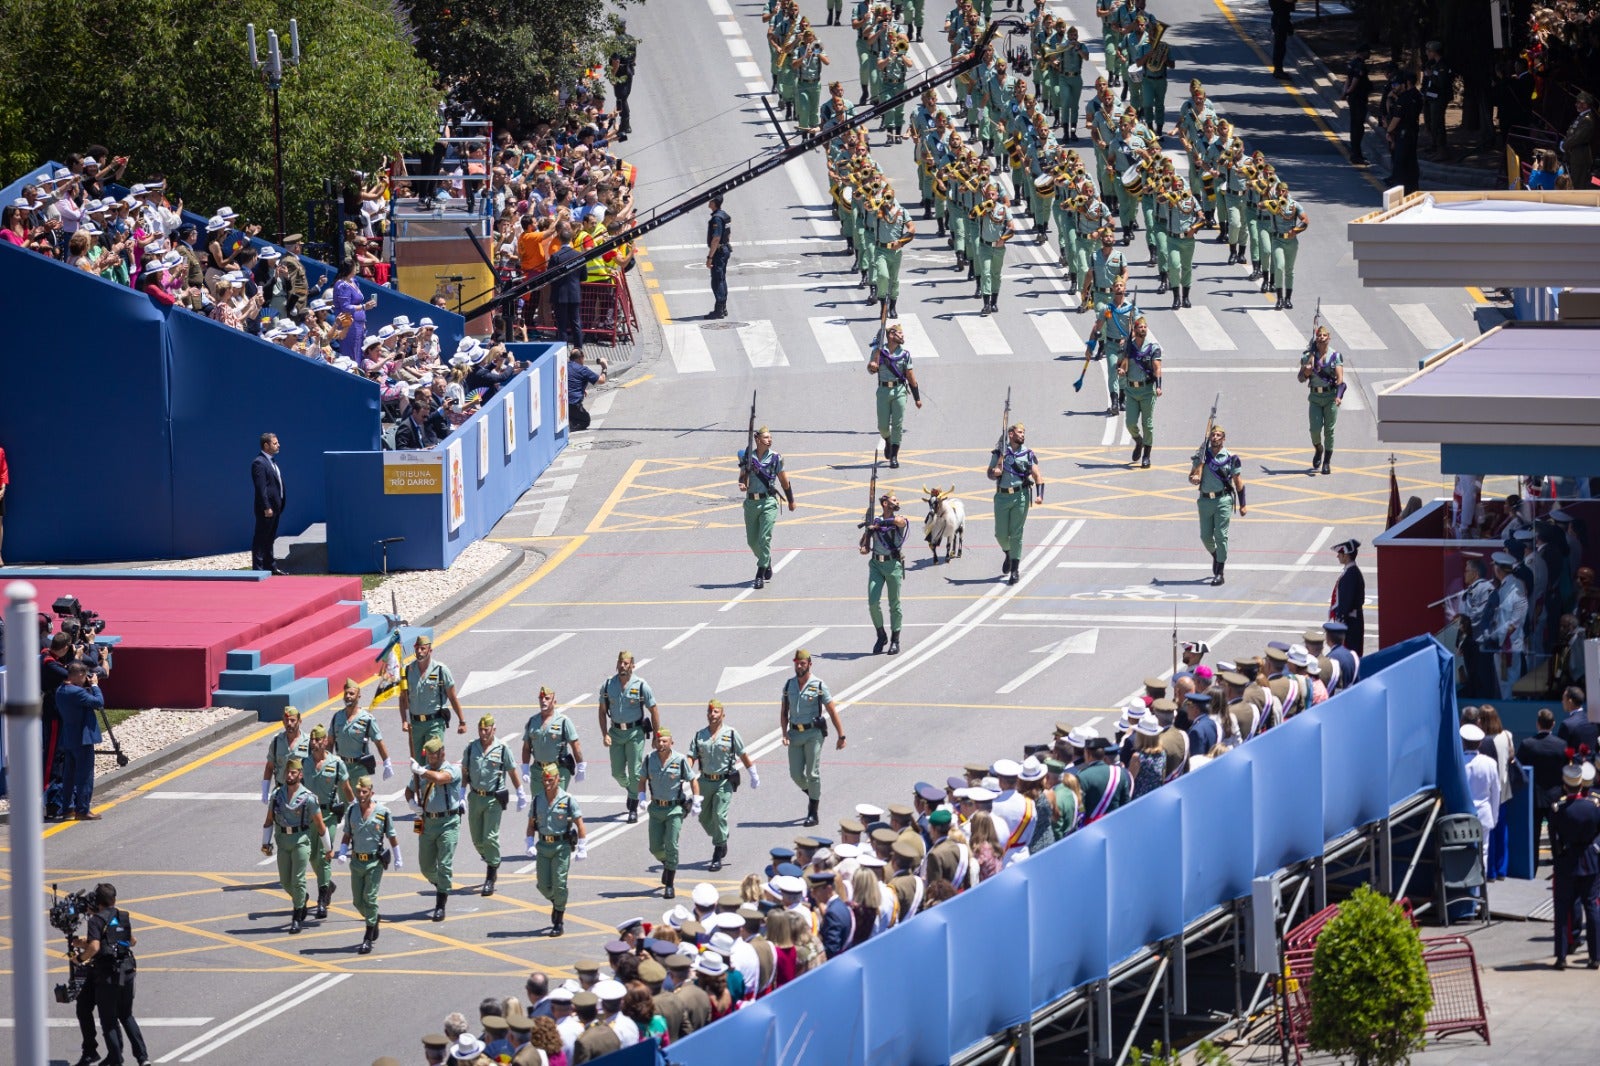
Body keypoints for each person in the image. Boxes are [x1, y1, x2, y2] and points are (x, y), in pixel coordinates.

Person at [69, 883, 146, 1066]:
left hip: (107, 975)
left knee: (108, 1021)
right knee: (126, 1015)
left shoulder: (96, 920)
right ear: (114, 899)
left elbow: (96, 947)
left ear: (97, 901)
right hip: (127, 971)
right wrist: (87, 942)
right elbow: (131, 941)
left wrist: (79, 959)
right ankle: (143, 1058)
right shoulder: (122, 915)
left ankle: (115, 1060)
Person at [261, 757, 333, 933]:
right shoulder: (277, 794)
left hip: (301, 841)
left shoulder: (308, 798)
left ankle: (297, 915)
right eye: (288, 772)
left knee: (298, 879)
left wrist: (328, 849)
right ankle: (302, 898)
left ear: (300, 775)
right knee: (286, 882)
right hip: (283, 841)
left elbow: (320, 826)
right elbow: (269, 820)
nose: (289, 775)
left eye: (293, 772)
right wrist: (265, 843)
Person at [780, 649, 847, 827]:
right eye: (797, 663)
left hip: (813, 734)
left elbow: (832, 710)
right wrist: (784, 733)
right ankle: (813, 794)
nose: (799, 666)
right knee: (795, 774)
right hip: (795, 734)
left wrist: (841, 735)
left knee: (812, 773)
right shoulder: (789, 685)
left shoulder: (818, 685)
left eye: (802, 663)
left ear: (810, 664)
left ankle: (813, 812)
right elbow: (784, 712)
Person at [690, 699, 758, 871]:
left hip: (723, 781)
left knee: (719, 815)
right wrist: (685, 773)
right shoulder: (700, 735)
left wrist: (753, 773)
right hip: (704, 781)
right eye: (710, 712)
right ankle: (722, 836)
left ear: (723, 714)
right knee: (704, 818)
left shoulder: (731, 734)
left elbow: (742, 754)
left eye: (716, 712)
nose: (712, 715)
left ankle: (718, 852)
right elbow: (691, 756)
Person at [338, 775, 401, 954]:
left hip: (374, 862)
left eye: (364, 792)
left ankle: (367, 937)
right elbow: (347, 834)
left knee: (370, 897)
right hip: (357, 861)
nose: (361, 795)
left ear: (371, 792)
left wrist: (398, 856)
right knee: (358, 901)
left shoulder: (382, 812)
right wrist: (342, 851)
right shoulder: (352, 810)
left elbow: (391, 835)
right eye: (358, 792)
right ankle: (373, 919)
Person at [462, 714, 524, 897]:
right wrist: (461, 793)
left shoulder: (502, 749)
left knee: (490, 837)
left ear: (493, 730)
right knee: (477, 839)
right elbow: (465, 770)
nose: (483, 733)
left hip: (493, 799)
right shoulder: (471, 748)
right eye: (480, 730)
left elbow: (512, 770)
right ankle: (491, 857)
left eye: (486, 730)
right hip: (475, 797)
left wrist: (520, 792)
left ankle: (491, 874)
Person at [525, 763, 587, 936]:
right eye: (544, 780)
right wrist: (529, 842)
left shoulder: (567, 799)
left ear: (558, 779)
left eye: (550, 780)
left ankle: (559, 919)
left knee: (559, 884)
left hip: (561, 847)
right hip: (543, 846)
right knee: (543, 886)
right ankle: (556, 902)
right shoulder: (538, 799)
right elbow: (531, 824)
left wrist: (582, 846)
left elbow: (579, 824)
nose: (547, 783)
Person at [599, 650, 660, 823]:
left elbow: (653, 709)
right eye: (620, 663)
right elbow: (602, 711)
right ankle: (631, 790)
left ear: (632, 666)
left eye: (626, 663)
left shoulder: (641, 685)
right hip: (616, 733)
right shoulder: (608, 685)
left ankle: (633, 806)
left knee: (634, 772)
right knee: (617, 773)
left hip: (635, 733)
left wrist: (656, 736)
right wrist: (604, 734)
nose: (622, 666)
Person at [1549, 762, 1600, 969]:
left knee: (1562, 909)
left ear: (1565, 785)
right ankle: (1595, 956)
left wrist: (1558, 857)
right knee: (1593, 907)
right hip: (1589, 860)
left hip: (1566, 860)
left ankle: (1561, 957)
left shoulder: (1557, 809)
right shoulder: (1593, 807)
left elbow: (1554, 839)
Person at [302, 726, 354, 919]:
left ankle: (322, 898)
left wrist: (354, 809)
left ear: (325, 742)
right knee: (311, 856)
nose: (314, 743)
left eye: (318, 740)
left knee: (324, 855)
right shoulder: (304, 763)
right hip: (309, 816)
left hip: (329, 815)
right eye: (312, 740)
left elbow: (346, 788)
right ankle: (328, 884)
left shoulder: (336, 763)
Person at [411, 735, 464, 922]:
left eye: (434, 755)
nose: (430, 758)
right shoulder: (423, 771)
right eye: (428, 755)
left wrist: (420, 772)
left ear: (442, 753)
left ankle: (440, 904)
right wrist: (412, 803)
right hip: (427, 823)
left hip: (448, 822)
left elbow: (441, 779)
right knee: (425, 866)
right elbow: (409, 789)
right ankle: (440, 883)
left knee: (444, 864)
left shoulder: (453, 770)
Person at [642, 727, 700, 899]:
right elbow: (642, 779)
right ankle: (668, 864)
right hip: (656, 808)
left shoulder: (680, 760)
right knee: (655, 847)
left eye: (664, 741)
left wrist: (697, 800)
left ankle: (669, 884)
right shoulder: (649, 759)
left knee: (671, 845)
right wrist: (641, 797)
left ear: (671, 743)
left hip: (674, 809)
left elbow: (693, 779)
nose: (661, 744)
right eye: (658, 741)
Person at [739, 426, 796, 590]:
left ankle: (760, 573)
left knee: (764, 538)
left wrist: (791, 500)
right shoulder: (748, 457)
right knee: (752, 541)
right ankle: (766, 559)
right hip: (750, 503)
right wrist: (742, 484)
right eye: (766, 438)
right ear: (757, 440)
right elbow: (742, 477)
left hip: (768, 502)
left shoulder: (775, 457)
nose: (769, 440)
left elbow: (784, 480)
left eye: (770, 437)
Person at [988, 422, 1046, 585]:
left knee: (1016, 534)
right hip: (1001, 497)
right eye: (1020, 432)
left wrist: (1040, 496)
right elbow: (989, 473)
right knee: (1000, 534)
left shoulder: (1027, 453)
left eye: (1024, 432)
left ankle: (1015, 569)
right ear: (1011, 434)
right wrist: (995, 472)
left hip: (1020, 497)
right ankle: (1008, 552)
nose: (1023, 435)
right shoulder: (1000, 452)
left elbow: (1038, 475)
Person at [1189, 424, 1246, 586]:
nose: (1215, 438)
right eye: (1213, 435)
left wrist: (1243, 504)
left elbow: (1238, 482)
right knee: (1205, 537)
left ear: (1224, 439)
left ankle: (1220, 572)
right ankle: (1217, 556)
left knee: (1221, 535)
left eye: (1219, 435)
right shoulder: (1202, 456)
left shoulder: (1231, 458)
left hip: (1223, 500)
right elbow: (1192, 475)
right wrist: (1193, 478)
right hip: (1205, 500)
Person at [399, 635, 467, 764]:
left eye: (423, 649)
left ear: (430, 650)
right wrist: (404, 720)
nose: (419, 652)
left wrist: (462, 721)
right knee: (417, 764)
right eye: (417, 648)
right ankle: (422, 784)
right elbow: (403, 699)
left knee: (433, 759)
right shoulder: (408, 670)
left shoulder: (441, 670)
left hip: (434, 723)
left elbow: (452, 697)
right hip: (415, 724)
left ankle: (434, 784)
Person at [867, 324, 922, 469]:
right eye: (899, 333)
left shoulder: (905, 354)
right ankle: (888, 440)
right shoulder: (879, 351)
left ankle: (894, 456)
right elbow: (871, 368)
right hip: (883, 391)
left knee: (897, 425)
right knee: (883, 426)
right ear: (891, 335)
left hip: (899, 391)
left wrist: (917, 398)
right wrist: (872, 366)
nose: (902, 336)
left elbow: (911, 377)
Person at [1519, 708, 1569, 864]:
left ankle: (1532, 866)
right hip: (1555, 796)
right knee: (1557, 834)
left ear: (1537, 724)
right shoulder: (1562, 745)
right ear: (1553, 724)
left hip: (1534, 797)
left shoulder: (1527, 744)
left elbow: (1520, 770)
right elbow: (1567, 768)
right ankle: (1559, 864)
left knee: (1533, 835)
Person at [861, 491, 909, 655]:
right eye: (893, 500)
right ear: (885, 503)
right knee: (873, 602)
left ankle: (895, 640)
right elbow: (864, 547)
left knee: (894, 604)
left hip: (893, 564)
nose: (897, 502)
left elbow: (899, 521)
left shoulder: (898, 519)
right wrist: (868, 533)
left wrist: (879, 525)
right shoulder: (876, 520)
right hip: (876, 564)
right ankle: (881, 635)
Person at [55, 662, 105, 821]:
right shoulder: (77, 693)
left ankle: (67, 808)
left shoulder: (61, 690)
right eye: (84, 676)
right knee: (84, 775)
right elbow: (99, 702)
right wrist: (95, 686)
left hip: (69, 736)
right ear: (78, 675)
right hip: (82, 739)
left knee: (68, 775)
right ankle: (83, 809)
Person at [521, 684, 587, 791]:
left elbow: (575, 745)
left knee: (556, 805)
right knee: (538, 805)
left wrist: (581, 767)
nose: (543, 701)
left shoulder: (563, 721)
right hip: (538, 771)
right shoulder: (532, 721)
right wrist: (525, 768)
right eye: (541, 698)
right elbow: (526, 748)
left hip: (558, 771)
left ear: (554, 702)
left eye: (547, 698)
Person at [1118, 314, 1162, 469]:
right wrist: (1122, 371)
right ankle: (1138, 441)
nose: (1143, 329)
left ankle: (1147, 456)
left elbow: (1157, 367)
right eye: (1140, 327)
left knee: (1147, 424)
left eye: (1145, 327)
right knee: (1130, 423)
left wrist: (1158, 385)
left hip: (1147, 390)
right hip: (1131, 390)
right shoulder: (1128, 346)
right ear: (1134, 330)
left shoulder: (1153, 347)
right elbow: (1122, 364)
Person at [1298, 325, 1343, 475]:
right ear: (1316, 339)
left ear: (1329, 338)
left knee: (1329, 431)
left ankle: (1327, 462)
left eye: (1324, 336)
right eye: (1319, 336)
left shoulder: (1335, 356)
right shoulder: (1308, 356)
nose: (1322, 338)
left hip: (1330, 397)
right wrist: (1307, 371)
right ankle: (1318, 448)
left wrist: (1338, 396)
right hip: (1315, 398)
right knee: (1315, 430)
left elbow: (1340, 380)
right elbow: (1300, 378)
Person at [331, 679, 393, 781]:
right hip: (341, 767)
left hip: (359, 767)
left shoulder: (367, 719)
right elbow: (330, 742)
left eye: (351, 693)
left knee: (361, 796)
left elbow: (379, 742)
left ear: (359, 696)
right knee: (343, 797)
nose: (348, 696)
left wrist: (387, 763)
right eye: (346, 693)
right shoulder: (337, 717)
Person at [251, 432, 286, 575]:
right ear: (266, 445)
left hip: (276, 508)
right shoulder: (259, 463)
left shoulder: (271, 462)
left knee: (270, 538)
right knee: (261, 539)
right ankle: (258, 570)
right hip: (267, 509)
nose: (278, 445)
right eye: (275, 443)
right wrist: (266, 507)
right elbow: (261, 488)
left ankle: (270, 567)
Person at [547, 221, 585, 351]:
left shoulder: (555, 256)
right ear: (571, 239)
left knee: (561, 325)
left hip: (559, 294)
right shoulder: (579, 255)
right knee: (576, 322)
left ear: (559, 238)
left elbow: (550, 276)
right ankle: (579, 349)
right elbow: (584, 276)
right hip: (574, 293)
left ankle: (562, 351)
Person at [1329, 538, 1366, 655]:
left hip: (1350, 624)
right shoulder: (1351, 572)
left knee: (1349, 653)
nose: (1338, 556)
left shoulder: (1351, 575)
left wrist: (1340, 622)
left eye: (1340, 553)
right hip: (1352, 621)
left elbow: (1346, 602)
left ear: (1346, 555)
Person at [1343, 45, 1372, 165]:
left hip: (1353, 98)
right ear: (1362, 52)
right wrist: (1349, 91)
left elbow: (1347, 80)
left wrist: (1345, 93)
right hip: (1358, 98)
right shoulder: (1360, 65)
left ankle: (1356, 153)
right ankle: (1356, 155)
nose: (1369, 54)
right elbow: (1354, 80)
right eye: (1368, 51)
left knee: (1355, 126)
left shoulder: (1352, 63)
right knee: (1358, 127)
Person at [566, 349, 607, 432]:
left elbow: (573, 379)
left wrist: (582, 388)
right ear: (580, 358)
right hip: (573, 403)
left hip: (562, 402)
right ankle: (570, 425)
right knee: (585, 421)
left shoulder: (565, 366)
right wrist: (604, 367)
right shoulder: (583, 370)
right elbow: (601, 380)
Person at [706, 196, 732, 320]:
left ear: (714, 203)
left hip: (719, 252)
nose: (708, 201)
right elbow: (728, 233)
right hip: (725, 249)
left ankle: (719, 310)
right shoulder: (724, 215)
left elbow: (716, 238)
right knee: (722, 278)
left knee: (717, 280)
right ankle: (723, 307)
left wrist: (710, 257)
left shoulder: (717, 218)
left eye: (710, 200)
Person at [1563, 92, 1595, 191]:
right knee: (1575, 181)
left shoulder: (1587, 119)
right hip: (1576, 155)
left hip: (1581, 156)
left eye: (1579, 102)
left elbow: (1578, 138)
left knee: (1578, 183)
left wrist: (1565, 145)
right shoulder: (1582, 117)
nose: (1576, 104)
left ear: (1585, 104)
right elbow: (1571, 132)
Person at [1268, 0, 1294, 77]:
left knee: (1280, 45)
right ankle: (1278, 71)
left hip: (1282, 17)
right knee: (1280, 46)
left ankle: (1278, 70)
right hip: (1280, 19)